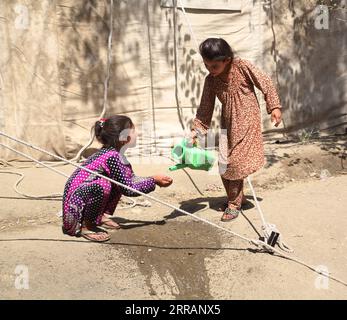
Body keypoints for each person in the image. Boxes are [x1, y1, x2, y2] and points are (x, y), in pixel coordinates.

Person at [190, 38, 282, 222]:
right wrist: (197, 130)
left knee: (235, 163)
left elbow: (265, 82)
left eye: (214, 66)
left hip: (247, 119)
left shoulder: (242, 67)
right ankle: (237, 197)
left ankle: (233, 204)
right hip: (228, 122)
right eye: (207, 66)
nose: (211, 70)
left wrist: (274, 107)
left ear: (227, 59)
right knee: (224, 163)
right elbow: (205, 107)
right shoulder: (211, 80)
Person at [62, 115, 173, 242]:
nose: (136, 134)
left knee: (114, 182)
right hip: (74, 210)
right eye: (133, 131)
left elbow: (130, 179)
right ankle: (87, 225)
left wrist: (153, 178)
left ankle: (99, 217)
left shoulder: (113, 154)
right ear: (123, 138)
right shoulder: (112, 156)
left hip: (80, 196)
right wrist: (154, 181)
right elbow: (128, 189)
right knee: (103, 185)